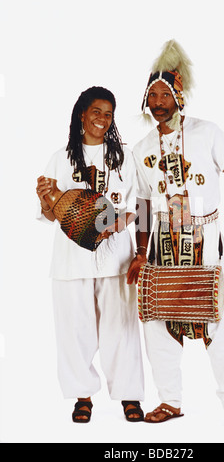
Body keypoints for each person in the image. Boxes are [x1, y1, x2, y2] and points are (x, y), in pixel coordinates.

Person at [127, 40, 224, 430]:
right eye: (152, 94)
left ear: (178, 96)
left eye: (165, 94)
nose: (158, 101)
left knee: (220, 320)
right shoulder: (142, 149)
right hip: (162, 245)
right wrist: (141, 253)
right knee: (157, 322)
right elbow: (141, 206)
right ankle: (170, 402)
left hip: (206, 240)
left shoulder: (208, 133)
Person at [36, 86, 144, 423]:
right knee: (73, 329)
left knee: (121, 328)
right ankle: (82, 396)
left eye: (108, 113)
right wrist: (45, 199)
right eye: (95, 111)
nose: (101, 118)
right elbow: (53, 215)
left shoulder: (124, 157)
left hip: (116, 257)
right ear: (82, 113)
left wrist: (115, 225)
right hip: (71, 259)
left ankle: (129, 396)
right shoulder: (61, 158)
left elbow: (138, 205)